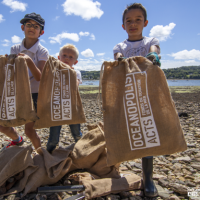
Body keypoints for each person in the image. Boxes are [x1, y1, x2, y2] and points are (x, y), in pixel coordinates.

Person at [113, 3, 161, 198]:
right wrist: (119, 60)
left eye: (138, 20)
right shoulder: (120, 46)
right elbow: (117, 56)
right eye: (129, 21)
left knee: (148, 134)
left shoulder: (151, 41)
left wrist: (154, 55)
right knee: (127, 133)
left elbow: (155, 49)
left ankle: (148, 178)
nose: (133, 24)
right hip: (128, 97)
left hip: (148, 96)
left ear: (145, 23)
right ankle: (115, 170)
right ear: (123, 25)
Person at [0, 13, 48, 152]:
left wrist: (28, 60)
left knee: (29, 131)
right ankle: (17, 140)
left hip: (34, 93)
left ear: (41, 32)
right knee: (3, 124)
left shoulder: (42, 51)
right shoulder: (15, 48)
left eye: (36, 26)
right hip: (17, 92)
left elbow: (40, 77)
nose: (32, 28)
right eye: (29, 25)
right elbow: (11, 73)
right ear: (23, 27)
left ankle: (40, 154)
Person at [46, 44, 82, 153]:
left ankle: (83, 152)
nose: (67, 58)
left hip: (72, 107)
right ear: (58, 57)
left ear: (75, 62)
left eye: (71, 57)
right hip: (56, 106)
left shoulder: (76, 72)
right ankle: (49, 154)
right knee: (53, 137)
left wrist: (68, 72)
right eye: (64, 55)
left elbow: (74, 87)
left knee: (77, 133)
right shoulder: (54, 71)